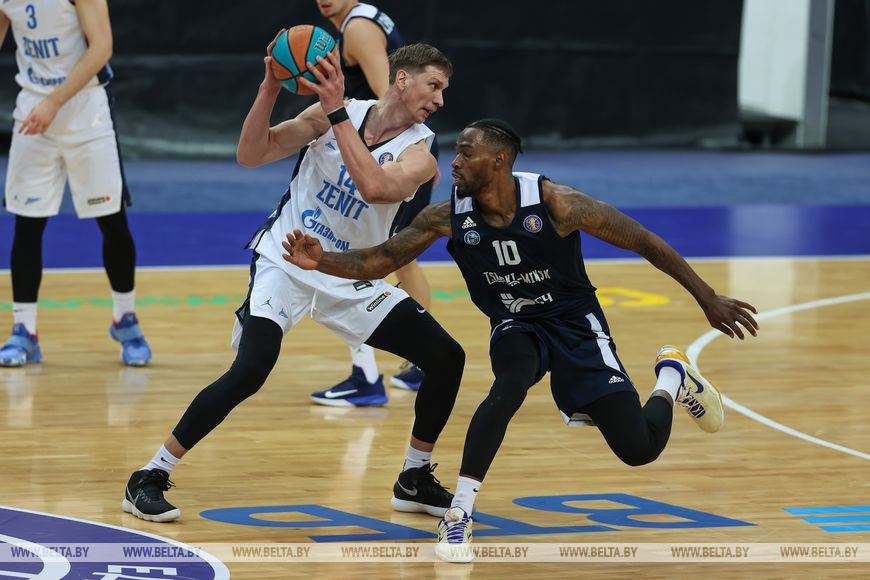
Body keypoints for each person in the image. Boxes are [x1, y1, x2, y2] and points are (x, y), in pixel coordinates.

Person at [282, 119, 760, 562]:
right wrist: (321, 260)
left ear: (498, 161)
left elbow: (644, 241)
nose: (454, 162)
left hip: (575, 325)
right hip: (515, 322)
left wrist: (708, 298)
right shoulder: (445, 215)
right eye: (456, 153)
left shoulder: (559, 204)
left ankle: (672, 376)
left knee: (638, 449)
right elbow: (381, 260)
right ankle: (459, 514)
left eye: (466, 153)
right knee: (509, 384)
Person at [122, 41, 463, 523]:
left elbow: (376, 188)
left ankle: (414, 477)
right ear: (403, 79)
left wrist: (336, 112)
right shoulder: (332, 114)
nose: (440, 100)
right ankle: (150, 475)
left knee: (447, 358)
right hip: (287, 258)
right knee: (252, 368)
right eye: (434, 85)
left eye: (444, 90)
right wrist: (269, 89)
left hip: (346, 271)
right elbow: (251, 154)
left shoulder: (420, 153)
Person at [0, 0, 151, 367]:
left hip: (86, 112)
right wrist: (45, 104)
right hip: (32, 111)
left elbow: (101, 48)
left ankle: (125, 320)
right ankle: (24, 331)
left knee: (112, 222)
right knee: (27, 223)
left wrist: (54, 102)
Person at [315, 0, 432, 403]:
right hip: (397, 153)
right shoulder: (364, 18)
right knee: (400, 256)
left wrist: (402, 159)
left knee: (352, 255)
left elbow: (391, 98)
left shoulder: (358, 28)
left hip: (388, 157)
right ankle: (423, 359)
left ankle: (366, 376)